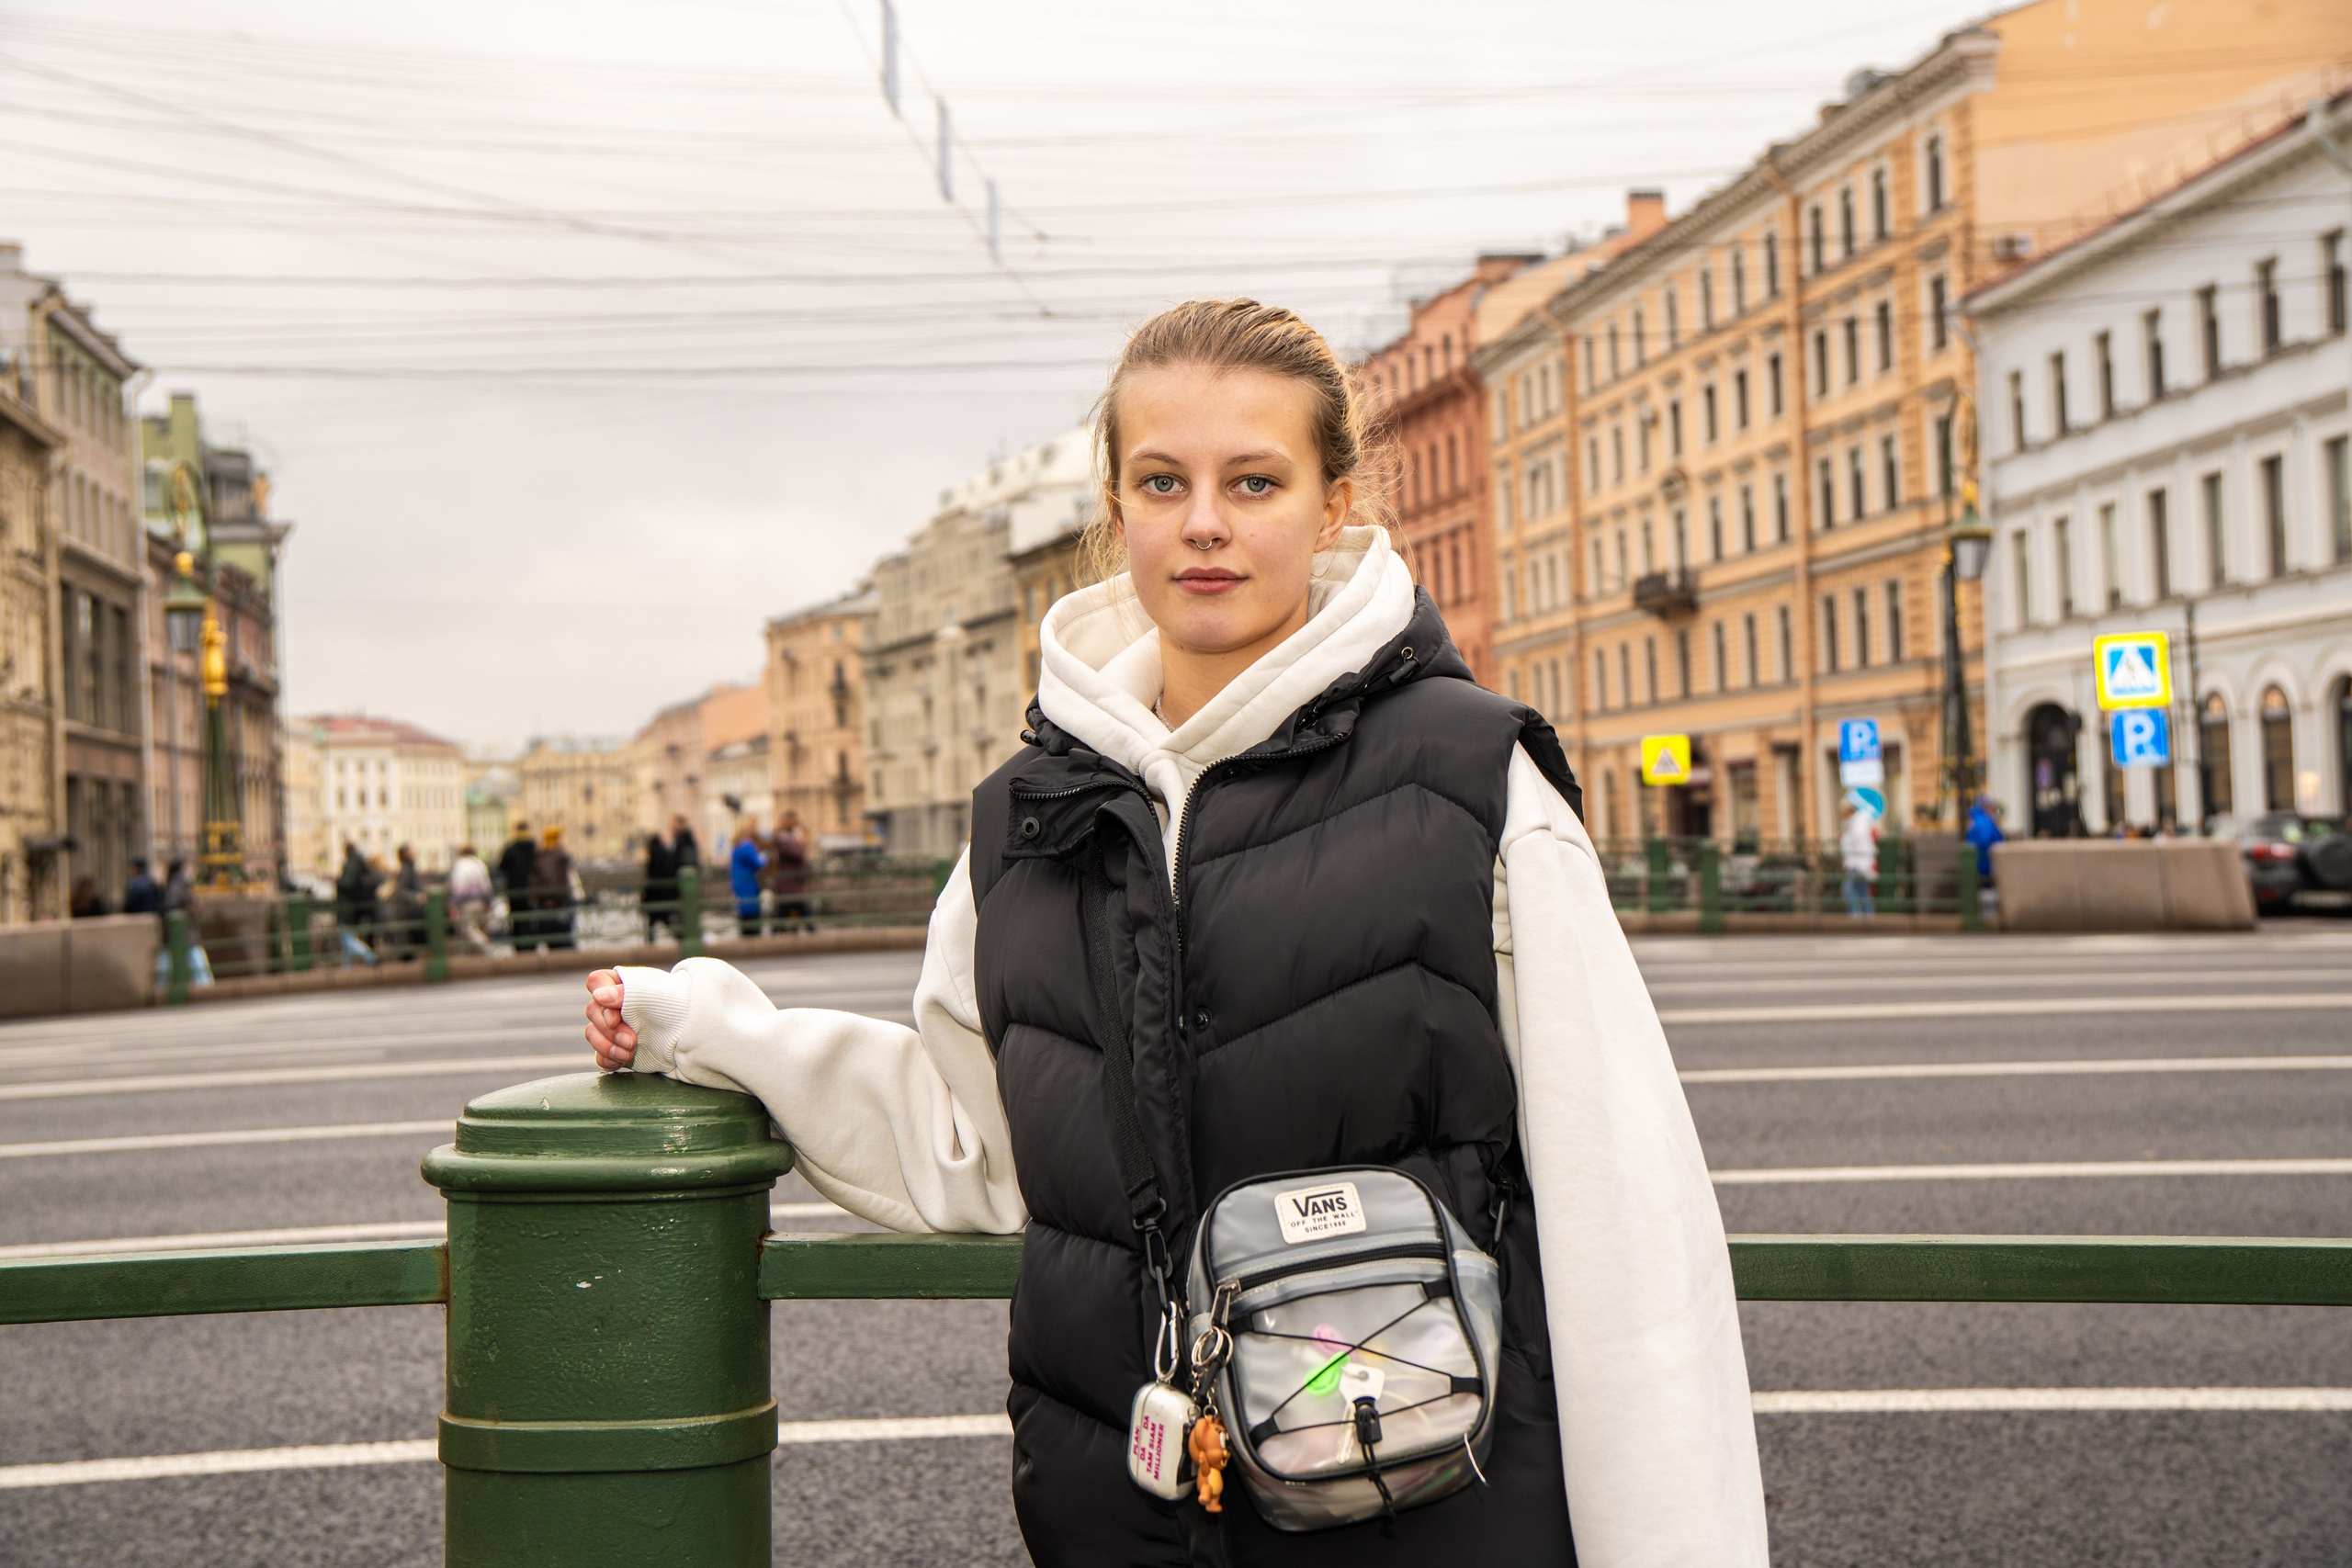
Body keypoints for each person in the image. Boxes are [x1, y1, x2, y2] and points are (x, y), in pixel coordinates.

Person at [580, 300, 1766, 1565]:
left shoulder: (1472, 780)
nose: (1205, 521)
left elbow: (1624, 1217)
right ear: (1117, 507)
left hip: (1429, 1502)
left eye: (1254, 481)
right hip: (1130, 1514)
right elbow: (975, 1144)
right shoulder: (1028, 816)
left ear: (1332, 504)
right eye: (1163, 481)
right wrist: (710, 1032)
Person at [530, 826, 576, 951]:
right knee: (562, 934)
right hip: (557, 901)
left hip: (547, 901)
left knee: (552, 933)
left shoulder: (542, 854)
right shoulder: (556, 855)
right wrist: (552, 897)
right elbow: (553, 878)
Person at [767, 810, 812, 933]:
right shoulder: (782, 838)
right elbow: (797, 853)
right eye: (794, 821)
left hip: (792, 882)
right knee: (798, 908)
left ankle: (777, 932)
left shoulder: (787, 837)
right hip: (789, 882)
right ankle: (813, 932)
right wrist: (801, 843)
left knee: (787, 909)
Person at [499, 821, 539, 952]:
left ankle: (520, 947)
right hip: (532, 891)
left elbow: (502, 867)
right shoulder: (535, 848)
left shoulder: (511, 849)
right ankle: (532, 946)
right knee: (531, 919)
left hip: (515, 891)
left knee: (517, 920)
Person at [1839, 792, 1881, 918]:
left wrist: (1864, 866)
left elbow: (1861, 845)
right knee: (1862, 891)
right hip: (1857, 864)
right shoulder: (1853, 824)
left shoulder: (1856, 825)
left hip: (1857, 865)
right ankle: (1868, 917)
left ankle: (1856, 917)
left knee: (1848, 890)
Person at [448, 842, 494, 953]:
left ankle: (489, 949)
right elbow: (487, 885)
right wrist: (489, 902)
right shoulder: (479, 864)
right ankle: (468, 955)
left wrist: (454, 903)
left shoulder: (461, 864)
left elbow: (460, 887)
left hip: (467, 903)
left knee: (468, 928)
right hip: (482, 901)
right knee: (480, 928)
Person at [334, 841, 379, 953]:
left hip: (348, 906)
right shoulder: (358, 862)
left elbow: (348, 883)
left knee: (348, 938)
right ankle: (350, 963)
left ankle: (368, 955)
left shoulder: (352, 864)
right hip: (356, 905)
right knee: (349, 937)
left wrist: (338, 882)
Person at [728, 818, 768, 939]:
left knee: (743, 909)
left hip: (738, 881)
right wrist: (765, 858)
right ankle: (753, 936)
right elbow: (757, 863)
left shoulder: (736, 845)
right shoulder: (747, 845)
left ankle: (745, 935)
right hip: (748, 882)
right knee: (752, 910)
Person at [389, 844, 425, 960]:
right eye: (411, 850)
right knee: (408, 941)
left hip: (409, 911)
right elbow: (400, 891)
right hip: (408, 911)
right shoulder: (406, 870)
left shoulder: (408, 868)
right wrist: (417, 897)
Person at [642, 824, 678, 941]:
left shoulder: (654, 857)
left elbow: (651, 877)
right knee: (668, 922)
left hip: (656, 897)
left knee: (653, 924)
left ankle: (650, 944)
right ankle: (680, 939)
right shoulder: (665, 854)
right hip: (665, 896)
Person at [1964, 792, 2005, 886]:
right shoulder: (1982, 821)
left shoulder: (1979, 819)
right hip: (1984, 866)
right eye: (1992, 805)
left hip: (1980, 864)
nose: (1994, 808)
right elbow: (1984, 841)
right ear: (1986, 806)